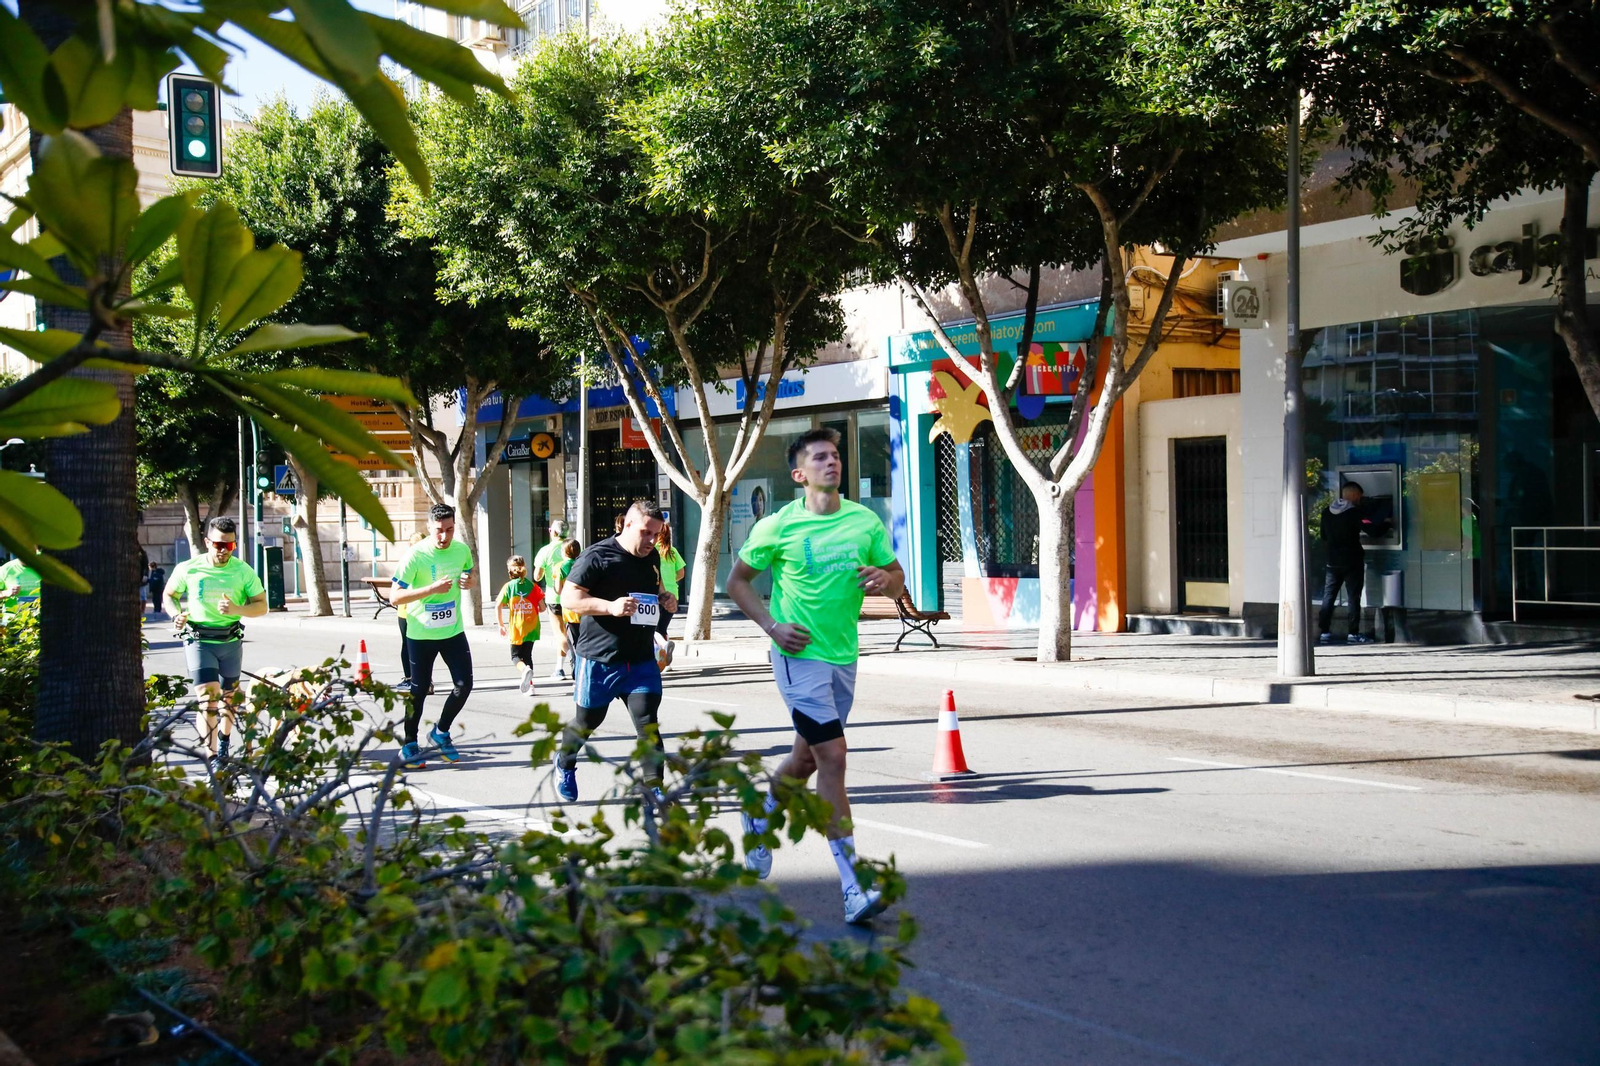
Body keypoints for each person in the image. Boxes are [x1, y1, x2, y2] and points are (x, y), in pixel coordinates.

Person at [726, 427, 904, 925]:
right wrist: (772, 626)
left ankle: (759, 813)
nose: (832, 462)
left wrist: (886, 581)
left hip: (843, 656)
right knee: (833, 755)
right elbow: (737, 581)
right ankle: (853, 885)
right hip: (798, 656)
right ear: (799, 474)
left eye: (835, 456)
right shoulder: (778, 526)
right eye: (820, 457)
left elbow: (897, 581)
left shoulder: (863, 521)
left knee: (806, 759)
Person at [551, 501, 677, 804]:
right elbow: (568, 598)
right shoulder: (597, 556)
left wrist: (665, 599)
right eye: (646, 533)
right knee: (587, 722)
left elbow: (654, 592)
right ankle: (564, 762)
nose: (651, 540)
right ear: (628, 525)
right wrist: (610, 607)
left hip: (641, 660)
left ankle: (654, 789)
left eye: (656, 534)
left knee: (648, 724)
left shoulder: (651, 558)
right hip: (600, 659)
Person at [163, 517, 269, 768]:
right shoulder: (189, 568)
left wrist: (236, 608)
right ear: (207, 542)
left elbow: (262, 606)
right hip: (199, 640)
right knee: (207, 697)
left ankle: (224, 739)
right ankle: (211, 755)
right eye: (219, 545)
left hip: (230, 641)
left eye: (229, 546)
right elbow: (170, 595)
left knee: (228, 699)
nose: (223, 551)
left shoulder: (243, 571)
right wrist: (176, 615)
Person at [389, 504, 476, 770]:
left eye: (449, 530)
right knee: (420, 689)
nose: (444, 536)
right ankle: (409, 743)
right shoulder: (415, 555)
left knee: (464, 685)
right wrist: (430, 589)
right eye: (439, 530)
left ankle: (440, 732)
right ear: (429, 527)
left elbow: (469, 572)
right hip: (420, 634)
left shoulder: (461, 550)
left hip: (452, 631)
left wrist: (470, 581)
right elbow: (394, 597)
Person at [1318, 480, 1388, 645]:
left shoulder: (1326, 512)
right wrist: (1387, 523)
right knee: (1353, 597)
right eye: (1360, 497)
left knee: (1329, 596)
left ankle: (1324, 632)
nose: (1360, 500)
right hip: (1352, 561)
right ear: (1355, 495)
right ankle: (1353, 634)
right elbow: (1373, 531)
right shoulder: (1354, 512)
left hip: (1332, 561)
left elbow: (1323, 536)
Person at [496, 554, 545, 695]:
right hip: (532, 626)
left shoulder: (508, 587)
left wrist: (501, 624)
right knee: (528, 655)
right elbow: (542, 608)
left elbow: (498, 605)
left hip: (517, 627)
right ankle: (530, 687)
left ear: (510, 570)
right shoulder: (533, 586)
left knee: (515, 656)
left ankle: (524, 670)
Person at [532, 521, 573, 681]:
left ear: (553, 532)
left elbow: (537, 577)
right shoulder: (574, 547)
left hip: (554, 597)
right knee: (571, 632)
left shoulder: (545, 550)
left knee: (559, 634)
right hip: (574, 596)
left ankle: (575, 660)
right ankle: (559, 668)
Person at [394, 531, 427, 694]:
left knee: (407, 645)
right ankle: (425, 679)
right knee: (423, 646)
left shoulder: (408, 561)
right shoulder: (428, 560)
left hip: (407, 611)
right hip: (422, 610)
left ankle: (410, 678)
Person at [655, 522, 686, 649]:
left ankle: (660, 651)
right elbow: (681, 573)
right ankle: (665, 650)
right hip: (673, 594)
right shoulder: (672, 551)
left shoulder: (651, 550)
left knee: (653, 628)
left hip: (656, 594)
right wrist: (670, 581)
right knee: (663, 627)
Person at [0, 556, 41, 634]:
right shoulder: (6, 569)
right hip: (13, 624)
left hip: (39, 622)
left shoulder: (46, 568)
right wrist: (6, 592)